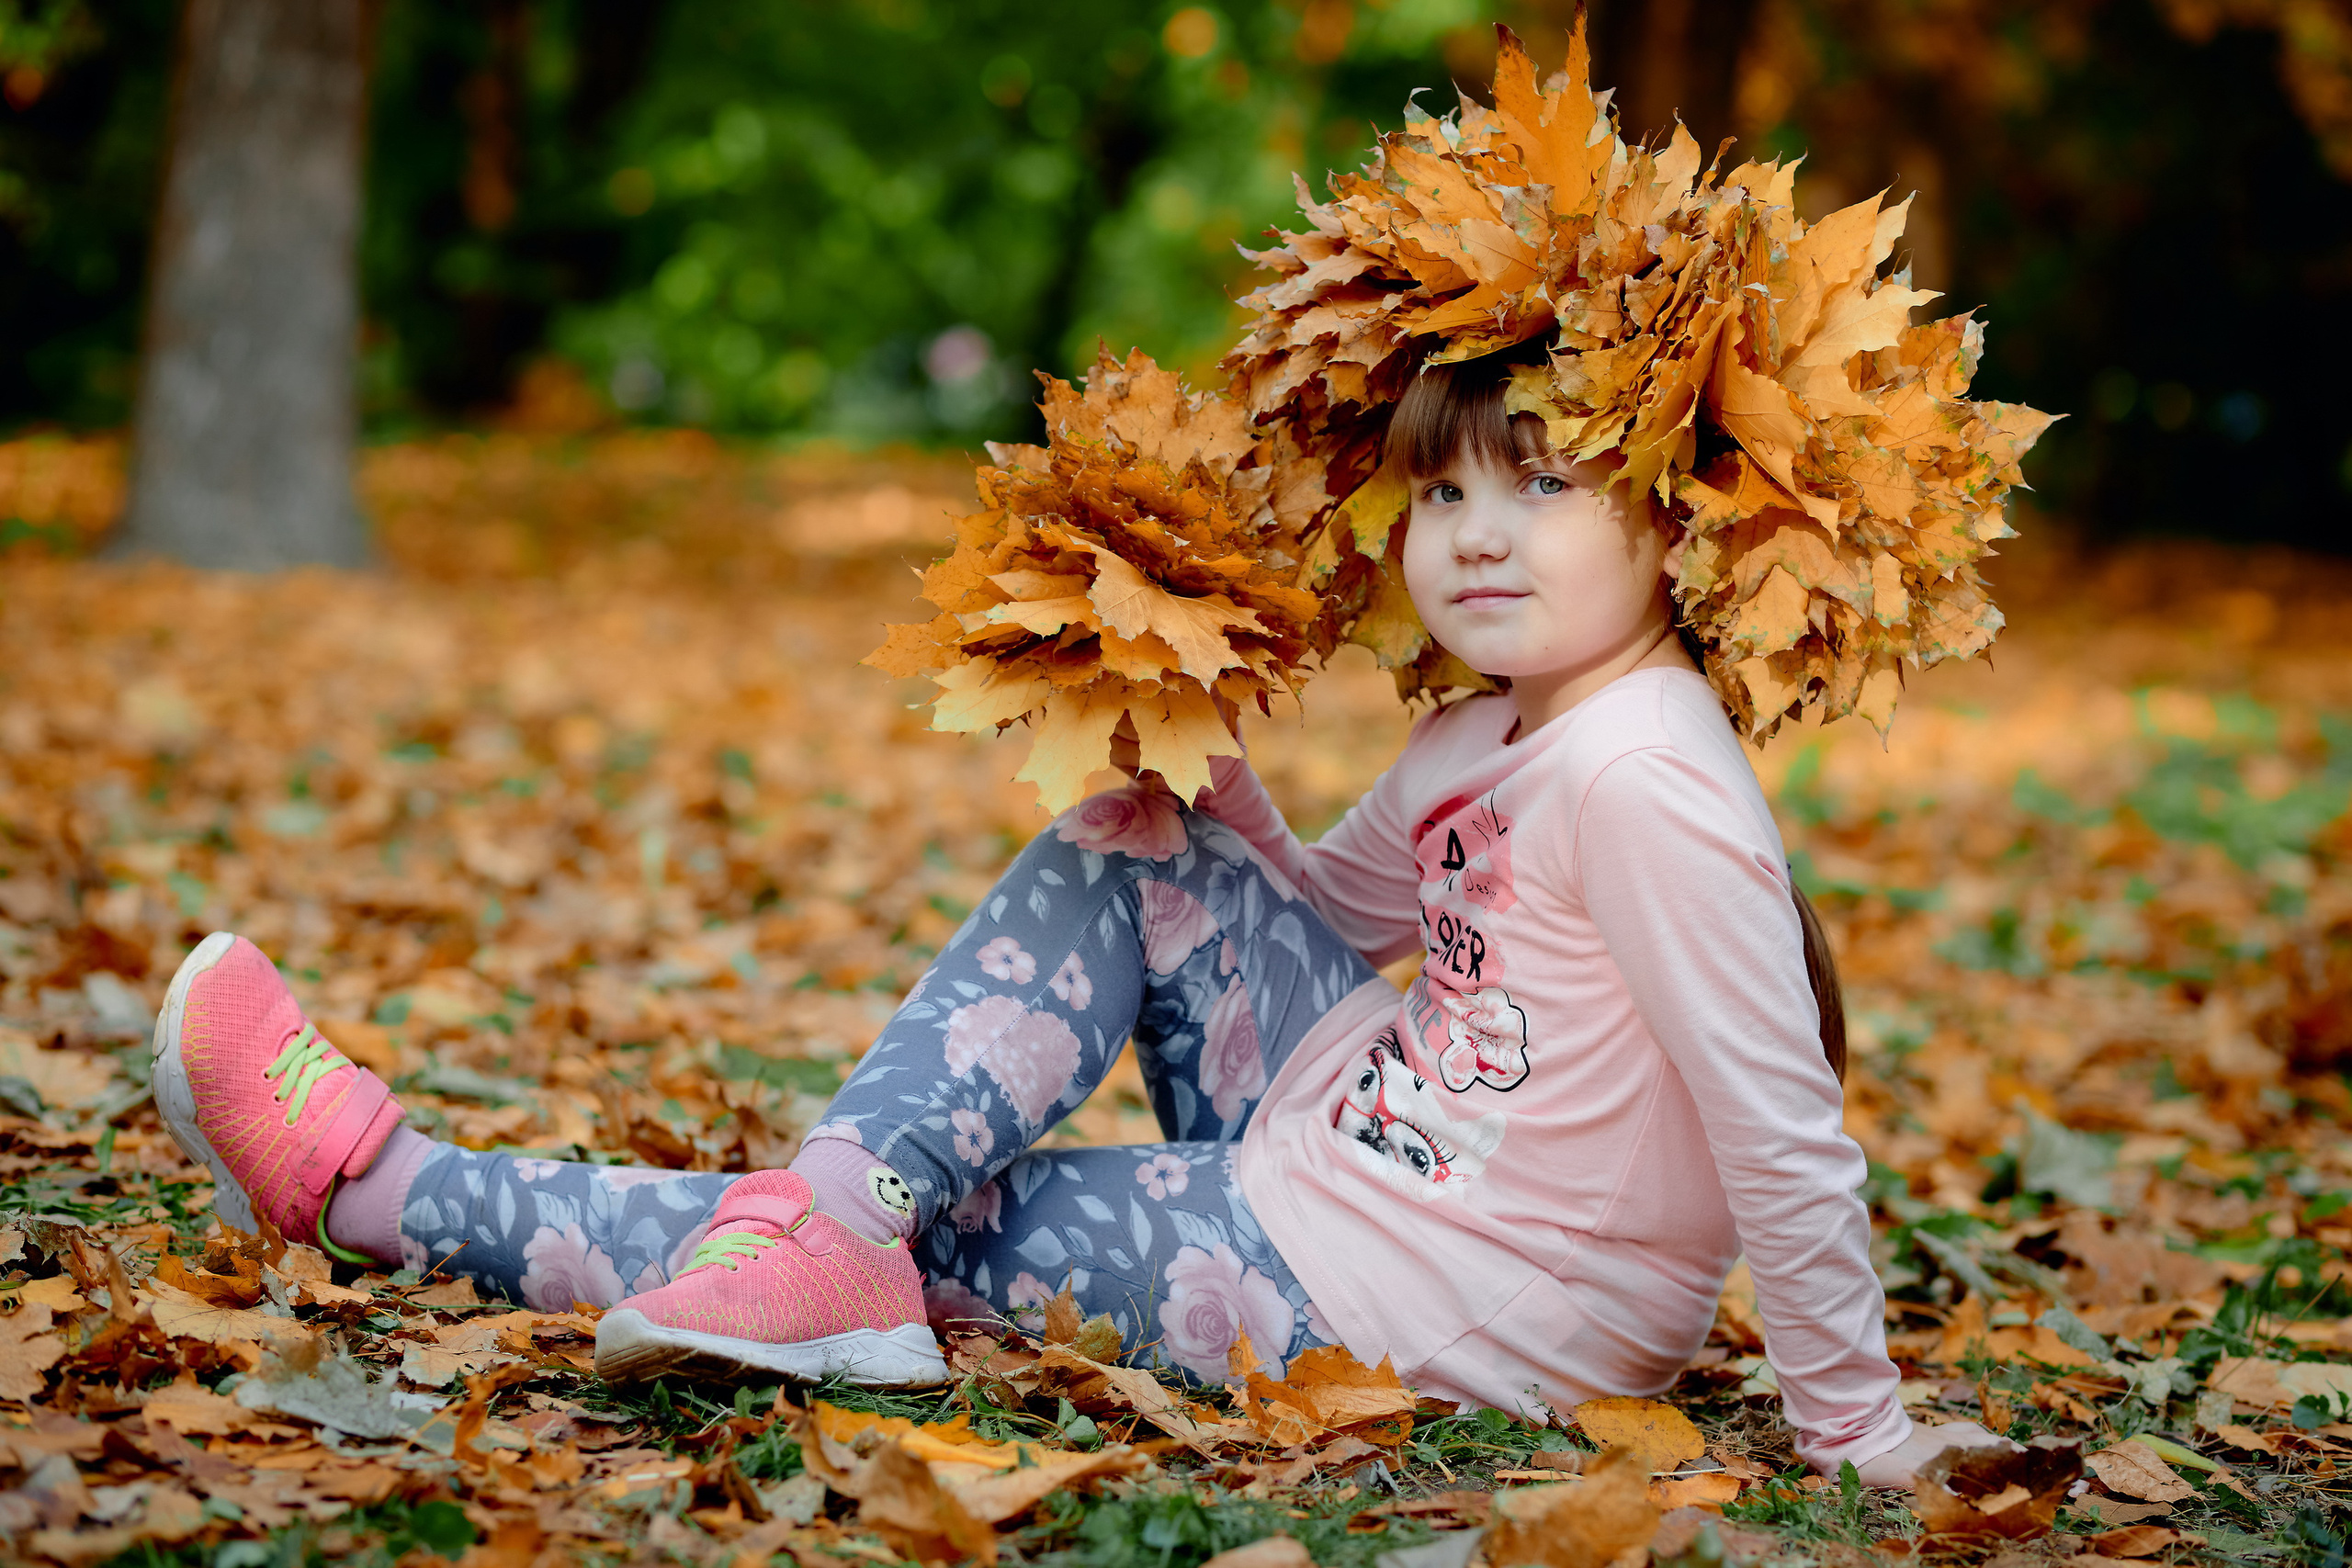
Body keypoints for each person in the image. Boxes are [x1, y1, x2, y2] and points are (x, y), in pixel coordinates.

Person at [149, 352, 2005, 1487]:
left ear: (1679, 513)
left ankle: (383, 1184)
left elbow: (1781, 1126)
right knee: (1134, 829)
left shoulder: (1646, 775)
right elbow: (1325, 913)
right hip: (1373, 1140)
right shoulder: (1491, 723)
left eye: (1541, 479)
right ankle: (837, 1221)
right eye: (1441, 489)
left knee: (967, 1221)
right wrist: (1188, 739)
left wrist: (1857, 1431)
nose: (1474, 532)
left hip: (1467, 1298)